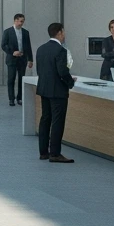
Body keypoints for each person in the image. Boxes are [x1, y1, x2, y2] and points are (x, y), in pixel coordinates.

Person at [35, 22, 76, 163]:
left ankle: (43, 152)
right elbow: (62, 72)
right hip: (58, 91)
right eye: (63, 32)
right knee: (58, 121)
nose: (64, 35)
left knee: (45, 119)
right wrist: (71, 82)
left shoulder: (41, 49)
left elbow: (40, 70)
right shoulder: (60, 50)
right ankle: (55, 153)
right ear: (59, 33)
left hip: (44, 89)